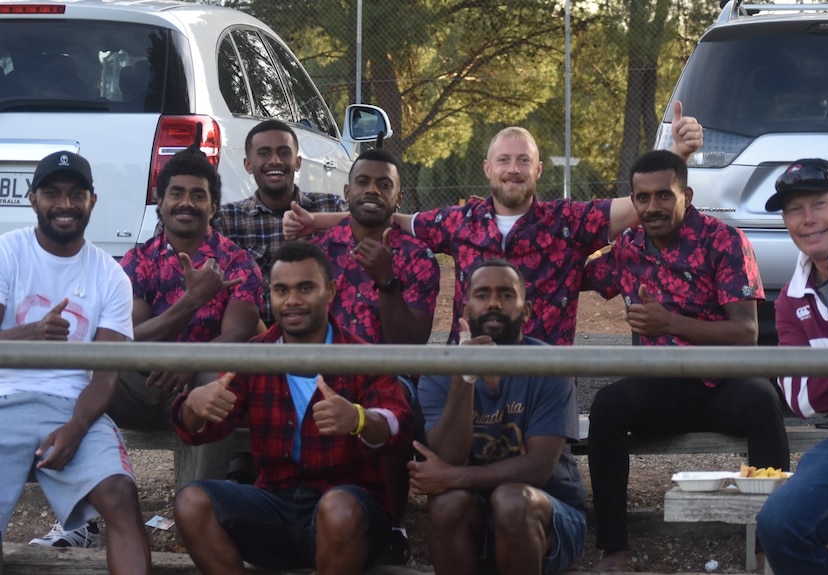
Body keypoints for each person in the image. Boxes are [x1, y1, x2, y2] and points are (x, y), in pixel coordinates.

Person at [283, 101, 703, 345]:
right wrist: (316, 223)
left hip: (541, 376)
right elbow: (385, 215)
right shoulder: (457, 223)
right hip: (468, 369)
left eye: (523, 161)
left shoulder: (568, 222)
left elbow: (639, 205)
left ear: (538, 170)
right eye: (504, 160)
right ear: (488, 168)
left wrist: (677, 156)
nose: (513, 169)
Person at [581, 149, 790, 572]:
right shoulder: (628, 247)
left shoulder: (724, 241)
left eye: (663, 195)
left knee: (763, 400)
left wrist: (669, 323)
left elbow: (746, 334)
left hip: (724, 383)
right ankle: (615, 548)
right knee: (606, 405)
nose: (652, 207)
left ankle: (770, 546)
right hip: (662, 386)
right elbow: (576, 275)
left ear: (686, 194)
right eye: (642, 198)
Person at [171, 240, 413, 575]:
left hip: (350, 512)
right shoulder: (256, 354)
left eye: (305, 288)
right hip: (275, 505)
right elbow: (198, 430)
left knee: (338, 508)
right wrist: (194, 406)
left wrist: (359, 419)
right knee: (191, 502)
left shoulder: (362, 354)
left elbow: (398, 426)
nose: (292, 301)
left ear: (330, 291)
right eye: (281, 290)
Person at [1, 151, 151, 573]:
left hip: (73, 406)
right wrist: (32, 334)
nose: (64, 204)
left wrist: (76, 427)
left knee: (121, 495)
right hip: (4, 398)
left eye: (76, 194)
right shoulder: (7, 252)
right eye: (52, 193)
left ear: (92, 201)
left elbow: (106, 373)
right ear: (33, 200)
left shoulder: (111, 276)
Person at [408, 259, 588, 575]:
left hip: (549, 516)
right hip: (473, 514)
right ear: (465, 311)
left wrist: (452, 476)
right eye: (482, 294)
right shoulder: (439, 371)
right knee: (447, 503)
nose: (493, 303)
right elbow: (450, 455)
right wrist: (464, 379)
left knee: (511, 500)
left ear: (526, 310)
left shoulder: (551, 366)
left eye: (506, 294)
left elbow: (538, 469)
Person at [309, 147, 439, 564]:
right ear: (346, 191)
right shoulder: (319, 253)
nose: (372, 191)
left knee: (396, 399)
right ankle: (299, 508)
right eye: (363, 182)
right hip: (324, 371)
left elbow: (411, 343)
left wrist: (386, 279)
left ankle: (393, 524)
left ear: (398, 199)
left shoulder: (417, 257)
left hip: (390, 375)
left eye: (385, 185)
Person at [107, 147, 262, 477]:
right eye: (176, 193)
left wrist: (189, 361)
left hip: (204, 384)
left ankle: (203, 508)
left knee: (219, 375)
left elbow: (238, 335)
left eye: (198, 195)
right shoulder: (139, 260)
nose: (186, 203)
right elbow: (129, 336)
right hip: (146, 385)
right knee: (87, 367)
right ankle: (84, 513)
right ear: (160, 202)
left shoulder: (238, 262)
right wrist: (190, 301)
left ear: (213, 206)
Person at [755, 159, 828, 575]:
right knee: (780, 524)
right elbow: (801, 401)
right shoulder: (789, 300)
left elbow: (815, 388)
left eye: (819, 203)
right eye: (794, 209)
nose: (808, 219)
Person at [217, 119, 347, 326]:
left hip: (324, 338)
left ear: (298, 162)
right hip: (256, 340)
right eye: (264, 153)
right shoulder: (228, 219)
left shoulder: (331, 207)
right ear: (248, 165)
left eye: (284, 153)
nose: (275, 160)